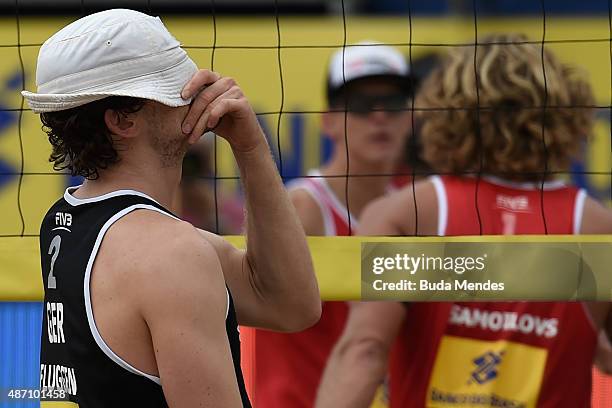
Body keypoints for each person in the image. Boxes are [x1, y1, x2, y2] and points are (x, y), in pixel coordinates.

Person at [24, 9, 320, 407]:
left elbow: (290, 305)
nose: (197, 91)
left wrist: (249, 149)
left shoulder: (67, 219)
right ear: (123, 121)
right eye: (172, 85)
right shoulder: (170, 254)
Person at [316, 33, 612, 408]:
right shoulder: (596, 226)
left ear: (446, 111)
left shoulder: (409, 213)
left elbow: (365, 351)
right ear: (561, 114)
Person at [252, 41, 414, 408]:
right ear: (328, 122)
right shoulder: (302, 208)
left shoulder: (410, 209)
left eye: (392, 103)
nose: (379, 116)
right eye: (359, 105)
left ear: (411, 118)